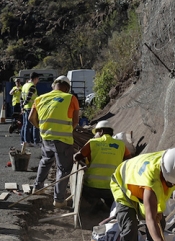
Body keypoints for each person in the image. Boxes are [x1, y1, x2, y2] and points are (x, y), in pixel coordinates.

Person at [29, 76, 80, 207]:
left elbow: (31, 118)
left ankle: (38, 187)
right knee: (63, 168)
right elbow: (75, 121)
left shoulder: (40, 98)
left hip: (46, 137)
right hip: (63, 139)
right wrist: (67, 130)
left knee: (45, 160)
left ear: (53, 86)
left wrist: (41, 128)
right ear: (67, 88)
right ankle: (58, 200)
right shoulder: (70, 98)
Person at [73, 120, 131, 210]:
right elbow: (129, 160)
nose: (94, 135)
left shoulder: (92, 142)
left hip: (91, 187)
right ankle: (110, 205)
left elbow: (77, 157)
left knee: (81, 188)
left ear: (101, 131)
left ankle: (96, 203)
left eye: (95, 132)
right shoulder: (121, 145)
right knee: (111, 198)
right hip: (112, 187)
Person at [21, 72, 40, 146]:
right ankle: (34, 141)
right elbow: (29, 97)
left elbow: (21, 98)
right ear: (35, 79)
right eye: (38, 79)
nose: (38, 81)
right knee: (34, 124)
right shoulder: (32, 86)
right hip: (31, 107)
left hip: (26, 108)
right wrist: (25, 103)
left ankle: (25, 140)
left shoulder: (24, 85)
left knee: (25, 125)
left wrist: (22, 106)